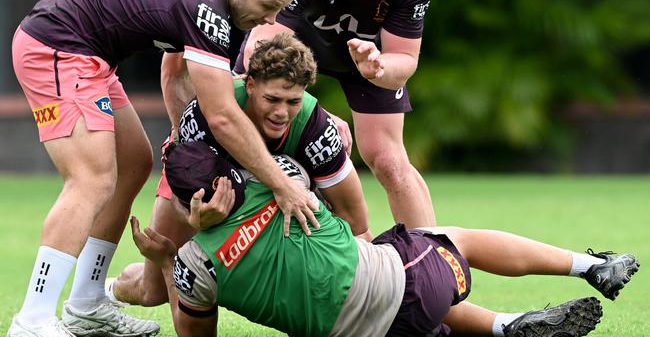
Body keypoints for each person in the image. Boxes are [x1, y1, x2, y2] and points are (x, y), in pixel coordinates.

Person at [8, 0, 315, 336]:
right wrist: (283, 184)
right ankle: (32, 320)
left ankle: (86, 303)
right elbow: (221, 116)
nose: (270, 20)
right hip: (57, 47)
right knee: (92, 179)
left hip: (94, 57)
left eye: (278, 10)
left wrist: (184, 138)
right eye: (267, 6)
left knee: (134, 162)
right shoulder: (205, 5)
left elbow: (175, 71)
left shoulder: (230, 10)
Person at [134, 141, 639, 336]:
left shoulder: (192, 267)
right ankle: (588, 267)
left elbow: (194, 333)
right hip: (408, 286)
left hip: (368, 335)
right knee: (445, 238)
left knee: (432, 327)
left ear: (181, 203)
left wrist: (163, 258)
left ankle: (508, 327)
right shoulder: (277, 179)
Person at [110, 33, 372, 307]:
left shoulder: (316, 131)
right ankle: (112, 290)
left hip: (284, 197)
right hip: (207, 183)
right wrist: (195, 220)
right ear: (249, 85)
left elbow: (357, 226)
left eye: (293, 101)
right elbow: (181, 197)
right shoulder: (202, 117)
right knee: (154, 292)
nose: (282, 112)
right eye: (272, 99)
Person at [238, 0, 437, 229]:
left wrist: (379, 68)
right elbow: (260, 49)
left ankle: (433, 258)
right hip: (290, 52)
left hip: (367, 56)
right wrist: (318, 117)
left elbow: (405, 59)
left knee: (389, 160)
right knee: (237, 137)